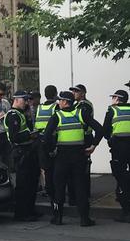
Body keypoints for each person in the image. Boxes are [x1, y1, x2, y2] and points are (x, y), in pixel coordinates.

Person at [42, 91, 103, 226]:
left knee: (59, 188)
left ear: (65, 102)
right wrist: (93, 146)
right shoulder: (81, 113)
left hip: (62, 157)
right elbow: (100, 129)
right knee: (80, 187)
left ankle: (58, 218)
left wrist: (51, 151)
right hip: (79, 156)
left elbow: (46, 138)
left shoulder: (56, 116)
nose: (58, 103)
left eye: (60, 101)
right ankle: (84, 219)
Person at [3, 91, 40, 221]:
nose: (26, 102)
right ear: (17, 100)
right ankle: (21, 213)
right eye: (24, 99)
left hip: (28, 150)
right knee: (23, 183)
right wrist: (30, 135)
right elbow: (14, 137)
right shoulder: (13, 115)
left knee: (32, 182)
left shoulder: (22, 113)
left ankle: (30, 210)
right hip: (21, 151)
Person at [102, 90, 130, 223]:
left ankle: (126, 211)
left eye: (113, 97)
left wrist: (111, 139)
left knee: (120, 176)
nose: (112, 99)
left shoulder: (112, 111)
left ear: (118, 99)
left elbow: (106, 130)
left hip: (118, 148)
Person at [70, 84, 98, 202]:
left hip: (85, 138)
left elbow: (82, 122)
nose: (74, 93)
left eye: (77, 91)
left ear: (83, 93)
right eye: (73, 91)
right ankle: (79, 193)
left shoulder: (85, 105)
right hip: (80, 138)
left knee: (83, 167)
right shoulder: (77, 104)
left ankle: (84, 193)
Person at [35, 85, 58, 207]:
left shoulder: (39, 108)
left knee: (45, 169)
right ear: (55, 94)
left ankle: (49, 191)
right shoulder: (56, 107)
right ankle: (55, 194)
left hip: (40, 140)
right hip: (52, 140)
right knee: (54, 168)